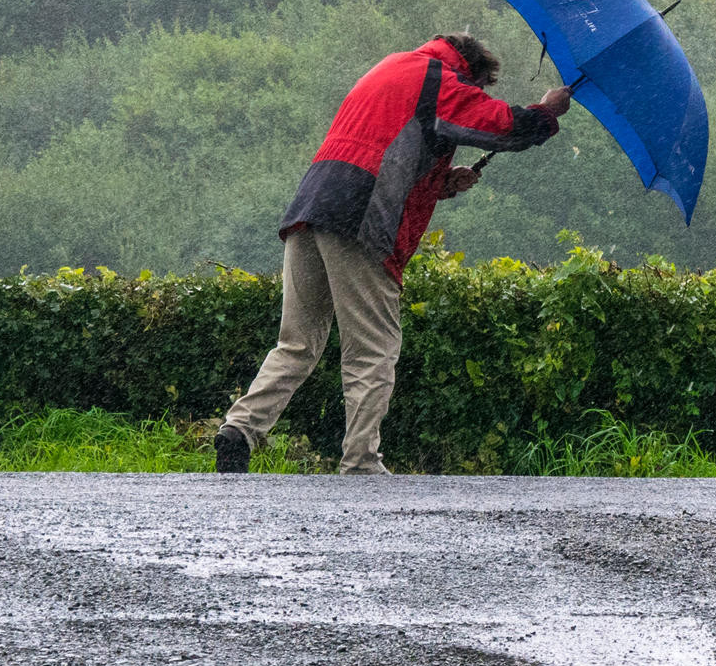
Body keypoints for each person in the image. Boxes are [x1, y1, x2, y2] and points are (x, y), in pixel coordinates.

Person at [214, 33, 571, 475]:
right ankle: (361, 461)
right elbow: (500, 126)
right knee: (373, 349)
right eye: (478, 86)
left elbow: (386, 149)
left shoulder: (392, 68)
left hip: (312, 205)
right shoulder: (441, 79)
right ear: (471, 71)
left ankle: (240, 428)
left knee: (298, 342)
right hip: (361, 217)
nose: (476, 94)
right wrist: (545, 113)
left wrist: (442, 183)